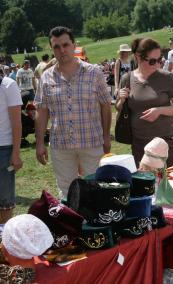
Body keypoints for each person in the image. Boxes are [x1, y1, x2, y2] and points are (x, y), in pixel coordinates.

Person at [35, 26, 112, 198]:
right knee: (67, 192)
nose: (62, 50)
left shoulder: (94, 72)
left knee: (97, 189)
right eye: (56, 47)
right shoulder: (46, 77)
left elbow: (105, 106)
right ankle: (71, 223)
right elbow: (41, 111)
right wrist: (39, 143)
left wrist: (106, 136)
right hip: (61, 144)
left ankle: (96, 223)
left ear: (74, 45)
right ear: (51, 48)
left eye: (65, 45)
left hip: (91, 141)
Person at [116, 38, 173, 168]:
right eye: (152, 61)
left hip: (164, 141)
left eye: (159, 60)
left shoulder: (166, 77)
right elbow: (119, 108)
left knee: (166, 183)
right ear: (138, 57)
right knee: (144, 184)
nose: (157, 65)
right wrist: (121, 99)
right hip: (139, 142)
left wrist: (159, 111)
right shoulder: (127, 79)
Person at [0, 75, 23, 223]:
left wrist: (16, 153)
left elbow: (16, 123)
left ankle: (4, 239)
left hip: (4, 148)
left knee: (5, 201)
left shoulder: (8, 85)